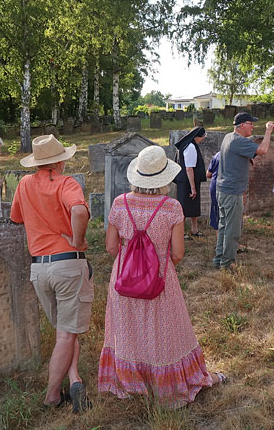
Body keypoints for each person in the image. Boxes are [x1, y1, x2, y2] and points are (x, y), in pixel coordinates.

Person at [100, 145, 225, 407]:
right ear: (164, 177)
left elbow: (111, 247)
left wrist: (132, 266)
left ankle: (134, 384)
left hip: (123, 280)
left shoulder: (119, 203)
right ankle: (165, 385)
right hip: (160, 279)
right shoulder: (171, 208)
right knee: (164, 333)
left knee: (128, 331)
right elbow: (177, 254)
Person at [10, 135, 93, 412]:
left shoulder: (24, 184)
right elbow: (79, 211)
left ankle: (74, 378)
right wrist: (76, 240)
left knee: (64, 331)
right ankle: (52, 395)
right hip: (67, 263)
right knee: (66, 335)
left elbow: (16, 217)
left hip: (39, 268)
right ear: (59, 161)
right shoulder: (66, 183)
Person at [214, 112, 274, 269]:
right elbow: (262, 150)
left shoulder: (229, 137)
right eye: (251, 123)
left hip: (222, 189)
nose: (253, 126)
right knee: (233, 230)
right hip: (232, 192)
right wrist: (268, 131)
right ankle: (227, 264)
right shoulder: (239, 142)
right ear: (241, 126)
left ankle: (219, 259)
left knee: (224, 226)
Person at [174, 127, 207, 239]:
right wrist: (193, 188)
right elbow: (189, 168)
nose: (202, 139)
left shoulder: (186, 145)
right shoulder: (191, 147)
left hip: (187, 180)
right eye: (202, 137)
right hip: (187, 181)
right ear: (197, 137)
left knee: (193, 206)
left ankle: (194, 229)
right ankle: (181, 232)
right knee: (183, 207)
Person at [206, 151, 221, 230]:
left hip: (215, 187)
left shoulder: (217, 155)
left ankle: (219, 240)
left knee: (217, 214)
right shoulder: (236, 154)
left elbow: (208, 174)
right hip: (229, 188)